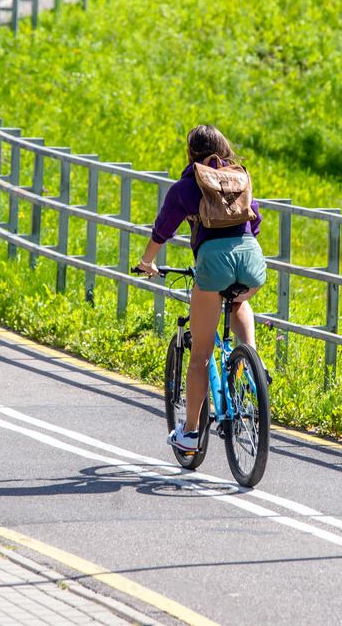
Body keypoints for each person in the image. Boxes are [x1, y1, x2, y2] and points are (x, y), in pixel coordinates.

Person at [137, 125, 267, 451]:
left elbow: (162, 230)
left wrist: (147, 262)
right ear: (224, 149)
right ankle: (251, 359)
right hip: (252, 259)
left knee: (200, 356)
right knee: (237, 301)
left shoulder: (186, 186)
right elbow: (255, 221)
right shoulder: (240, 178)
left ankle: (191, 433)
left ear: (189, 153)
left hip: (213, 263)